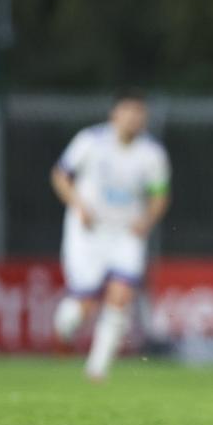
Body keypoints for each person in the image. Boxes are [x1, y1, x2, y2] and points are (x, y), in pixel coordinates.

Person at [51, 90, 171, 380]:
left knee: (121, 295)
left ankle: (97, 369)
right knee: (84, 305)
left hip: (126, 233)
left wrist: (146, 221)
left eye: (139, 114)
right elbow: (60, 175)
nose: (133, 119)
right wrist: (78, 205)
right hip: (88, 232)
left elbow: (159, 195)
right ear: (114, 114)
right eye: (128, 112)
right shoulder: (90, 141)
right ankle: (63, 328)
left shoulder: (152, 153)